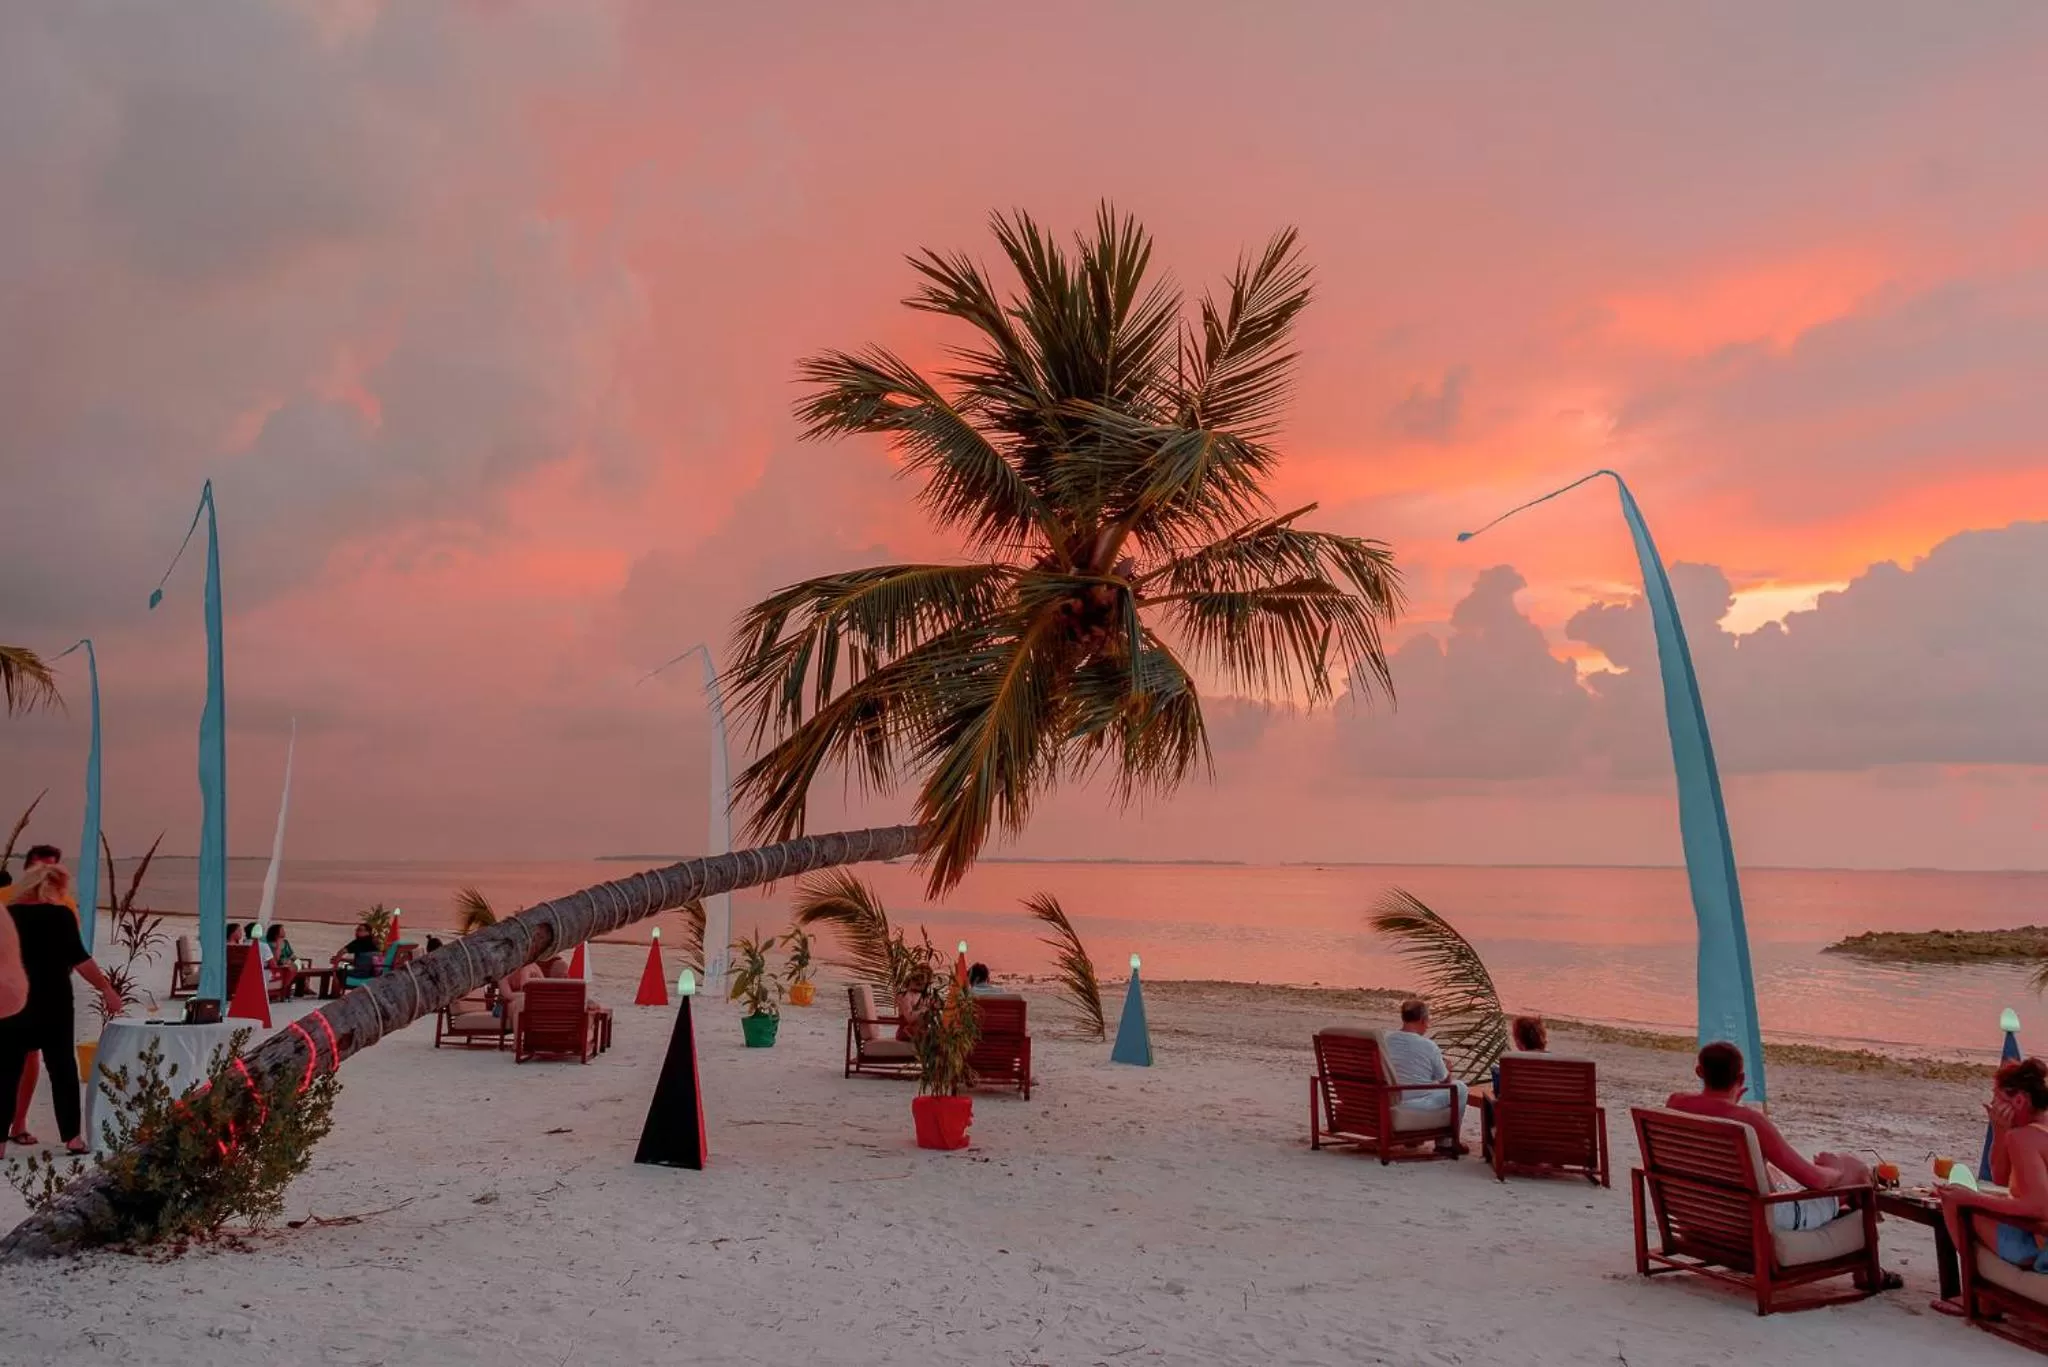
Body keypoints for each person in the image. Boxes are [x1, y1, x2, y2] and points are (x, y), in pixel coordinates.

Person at [1667, 1042, 1880, 1232]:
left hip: (1696, 1213)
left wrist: (1731, 1105)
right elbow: (1815, 1180)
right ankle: (1867, 1271)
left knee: (1772, 1171)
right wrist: (1836, 1169)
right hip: (1755, 1220)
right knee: (1856, 1170)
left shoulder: (1676, 1104)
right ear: (1741, 1078)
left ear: (1699, 1071)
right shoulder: (1750, 1121)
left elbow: (1713, 1114)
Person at [0, 865, 123, 1158]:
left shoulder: (8, 915)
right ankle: (72, 1138)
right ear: (53, 887)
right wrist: (106, 989)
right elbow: (80, 960)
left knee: (6, 1072)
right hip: (53, 1003)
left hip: (14, 1001)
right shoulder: (60, 916)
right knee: (62, 1070)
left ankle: (0, 1144)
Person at [1941, 1058, 2048, 1282]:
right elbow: (2000, 1178)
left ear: (2019, 1100)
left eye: (1997, 1099)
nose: (1992, 1105)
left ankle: (1978, 1299)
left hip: (2041, 1245)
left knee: (1955, 1203)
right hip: (2039, 1231)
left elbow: (2038, 1207)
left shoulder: (2024, 1138)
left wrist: (1971, 1198)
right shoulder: (2030, 1131)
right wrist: (2000, 1131)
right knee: (1973, 1197)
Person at [5, 845, 62, 1146]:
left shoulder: (62, 906)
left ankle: (19, 1122)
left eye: (50, 870)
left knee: (29, 1056)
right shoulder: (6, 900)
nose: (43, 877)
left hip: (37, 993)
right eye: (39, 869)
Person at [1382, 998, 1467, 1153]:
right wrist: (1448, 1068)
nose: (1427, 1026)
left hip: (1388, 1098)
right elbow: (1444, 1080)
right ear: (1422, 1020)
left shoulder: (1385, 1039)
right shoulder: (1428, 1045)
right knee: (1460, 1088)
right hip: (1414, 1103)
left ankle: (1413, 1140)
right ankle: (1446, 1142)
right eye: (1428, 1021)